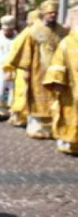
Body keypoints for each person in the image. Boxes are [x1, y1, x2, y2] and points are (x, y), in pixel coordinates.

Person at [4, 0, 69, 138]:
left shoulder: (62, 31)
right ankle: (37, 128)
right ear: (44, 14)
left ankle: (54, 128)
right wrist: (26, 69)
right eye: (50, 13)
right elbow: (26, 51)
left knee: (55, 99)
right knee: (37, 98)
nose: (53, 15)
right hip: (38, 71)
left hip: (57, 72)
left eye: (55, 13)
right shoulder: (33, 31)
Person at [44, 26, 78, 154]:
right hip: (71, 88)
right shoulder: (67, 42)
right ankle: (68, 141)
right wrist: (57, 80)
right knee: (70, 114)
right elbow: (58, 62)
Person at [4, 9, 41, 127]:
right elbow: (15, 52)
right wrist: (8, 67)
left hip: (37, 70)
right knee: (22, 93)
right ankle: (19, 116)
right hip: (24, 69)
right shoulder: (26, 34)